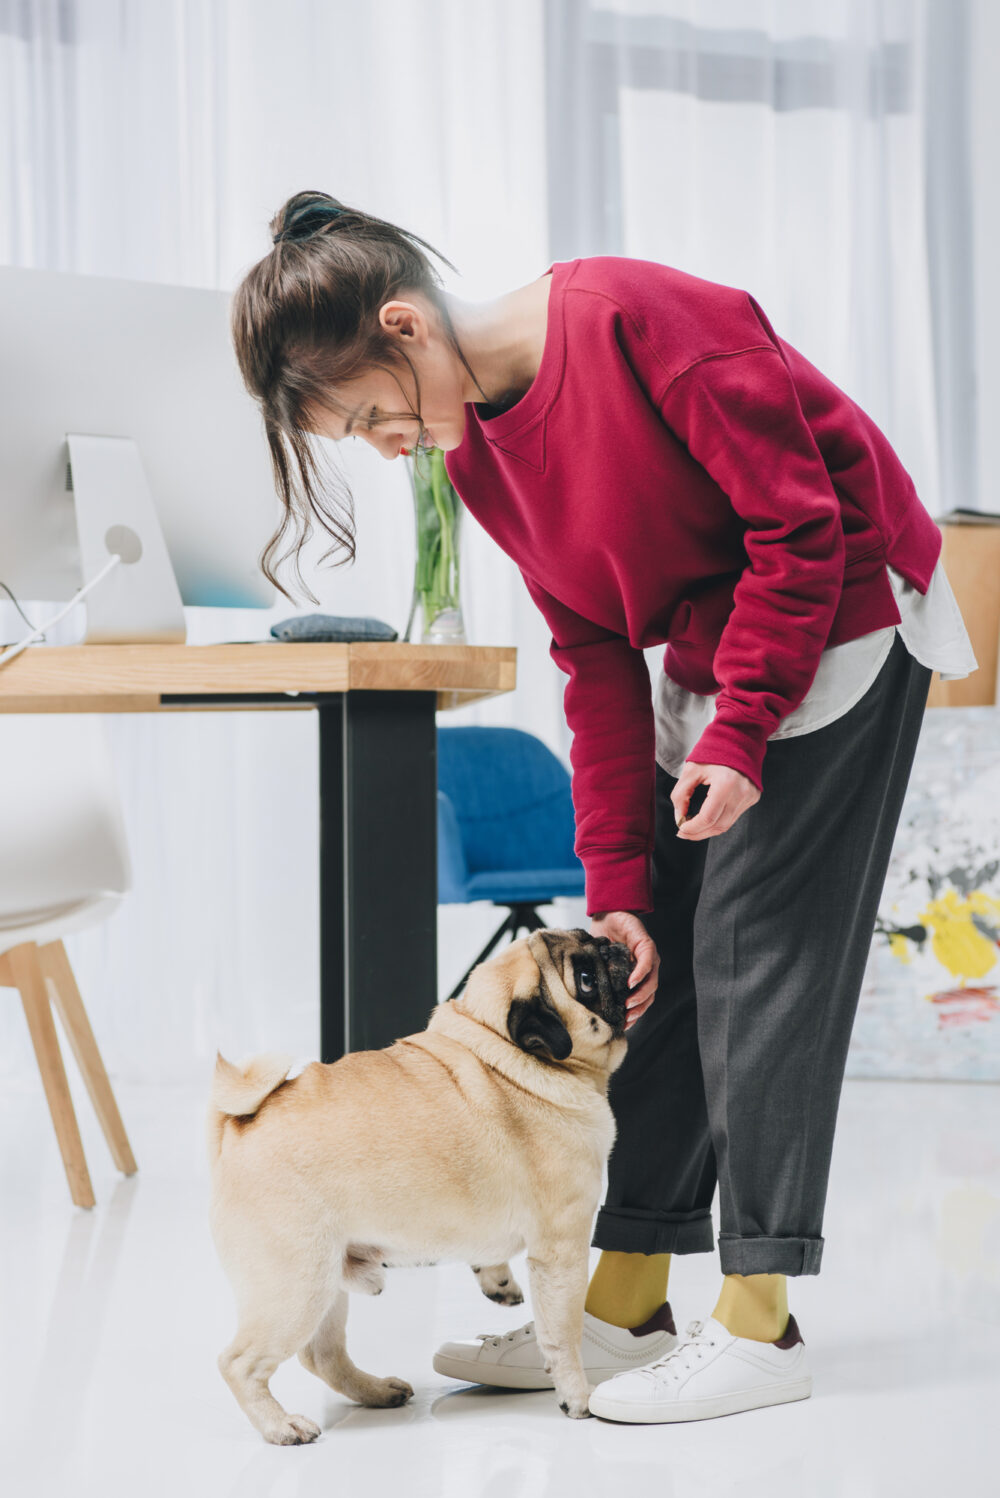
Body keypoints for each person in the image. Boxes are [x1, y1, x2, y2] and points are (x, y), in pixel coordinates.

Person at [231, 191, 977, 1424]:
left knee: (757, 965)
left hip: (837, 612)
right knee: (656, 971)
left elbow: (800, 531)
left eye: (368, 414)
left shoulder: (643, 320)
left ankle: (762, 1321)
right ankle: (622, 1308)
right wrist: (618, 894)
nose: (384, 446)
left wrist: (740, 732)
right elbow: (591, 657)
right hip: (710, 653)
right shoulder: (476, 453)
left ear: (406, 327)